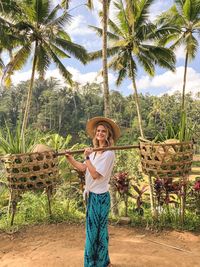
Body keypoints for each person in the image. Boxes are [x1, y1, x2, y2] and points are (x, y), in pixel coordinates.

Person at [65, 117, 120, 267]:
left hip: (100, 197)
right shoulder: (95, 152)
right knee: (96, 231)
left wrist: (87, 157)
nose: (100, 133)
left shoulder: (109, 154)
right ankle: (103, 261)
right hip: (92, 196)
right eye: (98, 131)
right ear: (95, 134)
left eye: (104, 131)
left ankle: (94, 263)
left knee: (95, 232)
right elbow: (84, 168)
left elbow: (95, 175)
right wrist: (70, 158)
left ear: (108, 135)